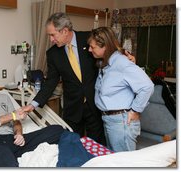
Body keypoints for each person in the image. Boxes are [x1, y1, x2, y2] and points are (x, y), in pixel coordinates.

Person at [20, 12, 135, 145]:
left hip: (96, 104)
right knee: (73, 146)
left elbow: (109, 51)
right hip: (73, 108)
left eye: (53, 35)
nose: (51, 39)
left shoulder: (89, 39)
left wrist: (126, 56)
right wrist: (32, 105)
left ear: (64, 31)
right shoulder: (53, 54)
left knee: (98, 146)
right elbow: (51, 82)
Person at [0, 66, 65, 167]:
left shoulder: (4, 97)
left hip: (12, 141)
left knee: (57, 130)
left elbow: (16, 121)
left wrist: (19, 134)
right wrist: (12, 115)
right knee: (3, 153)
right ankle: (12, 159)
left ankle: (14, 154)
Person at [87, 27, 154, 152]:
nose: (90, 50)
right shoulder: (105, 64)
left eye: (93, 47)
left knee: (124, 164)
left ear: (105, 46)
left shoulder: (121, 63)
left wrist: (135, 110)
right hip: (109, 120)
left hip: (121, 122)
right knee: (115, 162)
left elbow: (147, 86)